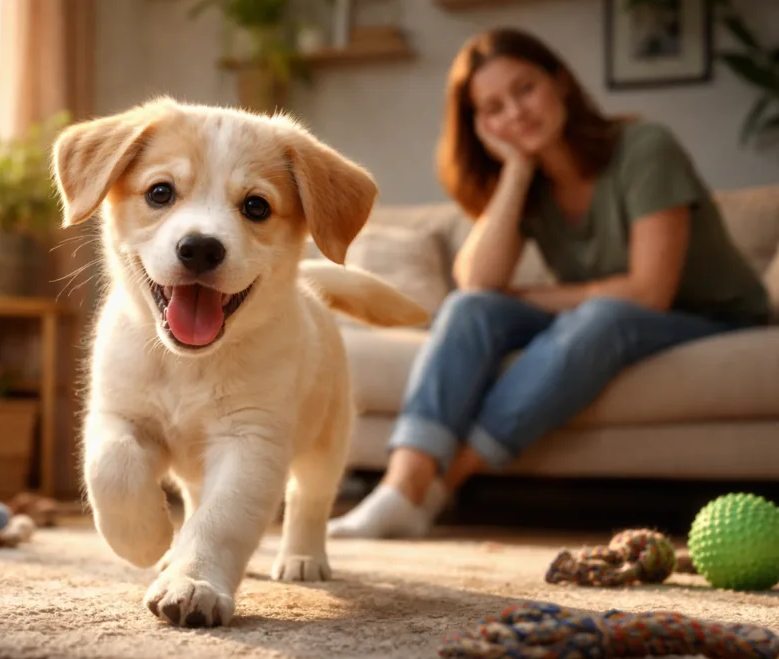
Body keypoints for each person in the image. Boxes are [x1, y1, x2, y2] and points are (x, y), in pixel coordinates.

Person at [327, 27, 771, 540]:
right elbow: (476, 284)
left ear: (559, 82)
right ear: (479, 126)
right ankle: (401, 488)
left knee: (601, 316)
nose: (516, 112)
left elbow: (651, 292)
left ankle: (442, 486)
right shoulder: (531, 181)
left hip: (713, 316)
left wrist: (536, 297)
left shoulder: (645, 147)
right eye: (494, 107)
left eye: (525, 89)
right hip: (609, 314)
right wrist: (517, 169)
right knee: (471, 310)